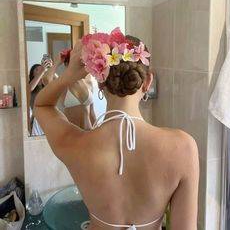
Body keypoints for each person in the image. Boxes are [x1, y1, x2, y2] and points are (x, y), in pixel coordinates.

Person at [34, 28, 199, 230]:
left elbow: (42, 106)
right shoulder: (183, 148)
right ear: (147, 82)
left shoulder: (74, 144)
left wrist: (69, 75)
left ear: (101, 83)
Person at [42, 48, 97, 130]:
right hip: (71, 135)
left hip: (88, 134)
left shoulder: (88, 82)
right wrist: (58, 62)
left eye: (82, 61)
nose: (81, 64)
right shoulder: (62, 83)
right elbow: (46, 79)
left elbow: (92, 114)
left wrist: (97, 132)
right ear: (67, 64)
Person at [28, 59, 52, 135]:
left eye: (42, 68)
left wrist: (51, 69)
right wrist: (42, 70)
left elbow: (59, 83)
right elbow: (30, 88)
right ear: (33, 74)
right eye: (37, 69)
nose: (41, 70)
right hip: (37, 120)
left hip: (50, 119)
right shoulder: (30, 86)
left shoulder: (47, 85)